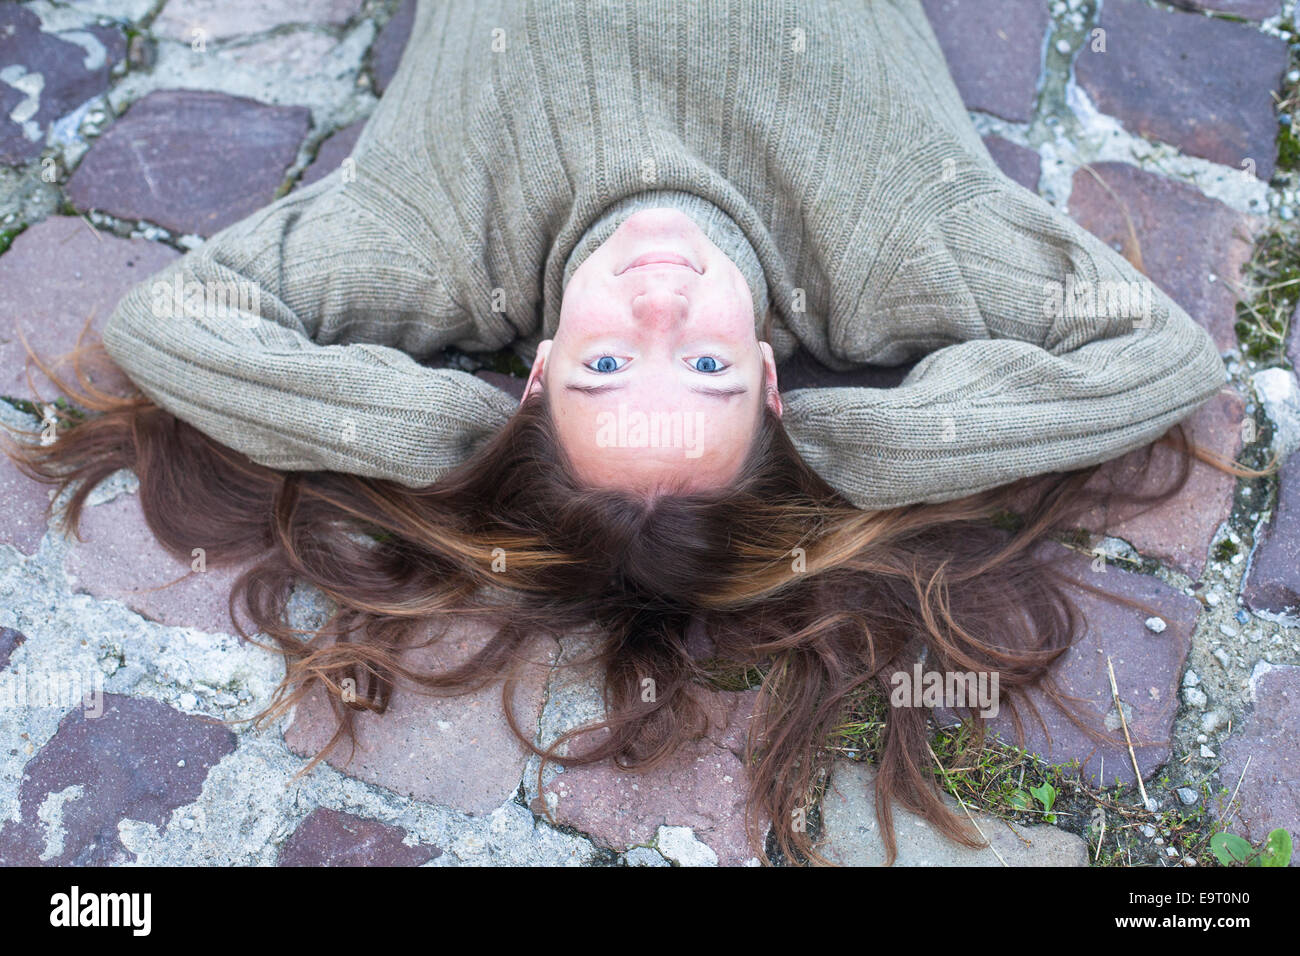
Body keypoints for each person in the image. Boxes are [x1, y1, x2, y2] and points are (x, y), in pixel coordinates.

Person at [8, 0, 1247, 865]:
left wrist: (445, 431)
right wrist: (859, 451)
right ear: (773, 381)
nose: (659, 298)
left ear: (534, 372)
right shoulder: (888, 247)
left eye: (605, 366)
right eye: (703, 364)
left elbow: (176, 317)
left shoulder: (440, 235)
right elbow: (1155, 351)